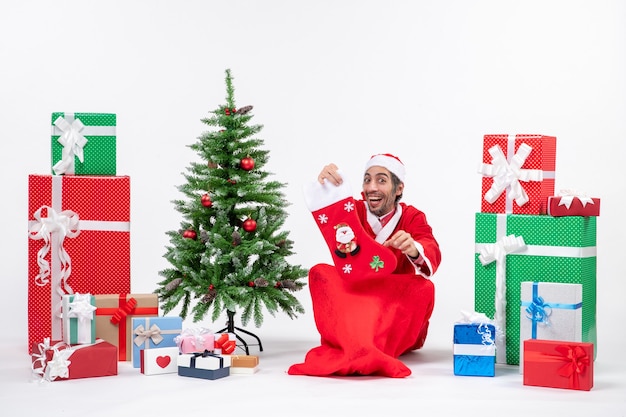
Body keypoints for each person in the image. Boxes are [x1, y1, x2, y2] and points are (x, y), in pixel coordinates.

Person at [287, 153, 442, 378]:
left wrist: (414, 248)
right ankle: (360, 345)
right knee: (320, 272)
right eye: (367, 180)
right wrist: (327, 187)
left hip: (392, 304)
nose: (372, 187)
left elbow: (430, 247)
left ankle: (363, 346)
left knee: (425, 288)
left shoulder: (411, 217)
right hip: (355, 296)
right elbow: (335, 221)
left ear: (398, 188)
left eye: (381, 180)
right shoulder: (351, 212)